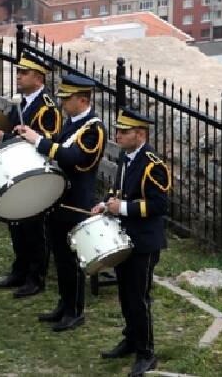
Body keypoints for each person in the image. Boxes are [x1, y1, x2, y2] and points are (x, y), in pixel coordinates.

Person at [17, 72, 105, 332]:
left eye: (67, 99)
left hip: (76, 201)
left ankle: (75, 310)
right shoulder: (71, 122)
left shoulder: (93, 128)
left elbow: (75, 158)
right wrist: (32, 136)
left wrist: (40, 141)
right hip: (58, 197)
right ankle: (64, 303)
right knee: (60, 255)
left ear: (81, 99)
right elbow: (57, 144)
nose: (62, 103)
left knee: (72, 258)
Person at [94, 108, 171, 377]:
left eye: (123, 132)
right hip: (125, 237)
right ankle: (130, 339)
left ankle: (146, 353)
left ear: (140, 134)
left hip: (145, 242)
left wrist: (123, 208)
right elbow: (119, 191)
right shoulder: (127, 158)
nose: (117, 135)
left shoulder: (153, 164)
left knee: (139, 298)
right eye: (118, 130)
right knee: (125, 295)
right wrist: (105, 204)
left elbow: (160, 205)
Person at [0, 56, 61, 298]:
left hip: (35, 175)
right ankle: (19, 270)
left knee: (34, 228)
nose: (18, 75)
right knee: (17, 225)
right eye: (18, 71)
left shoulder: (47, 108)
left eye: (24, 72)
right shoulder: (21, 104)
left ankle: (35, 277)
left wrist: (9, 138)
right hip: (16, 171)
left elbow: (47, 140)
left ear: (39, 78)